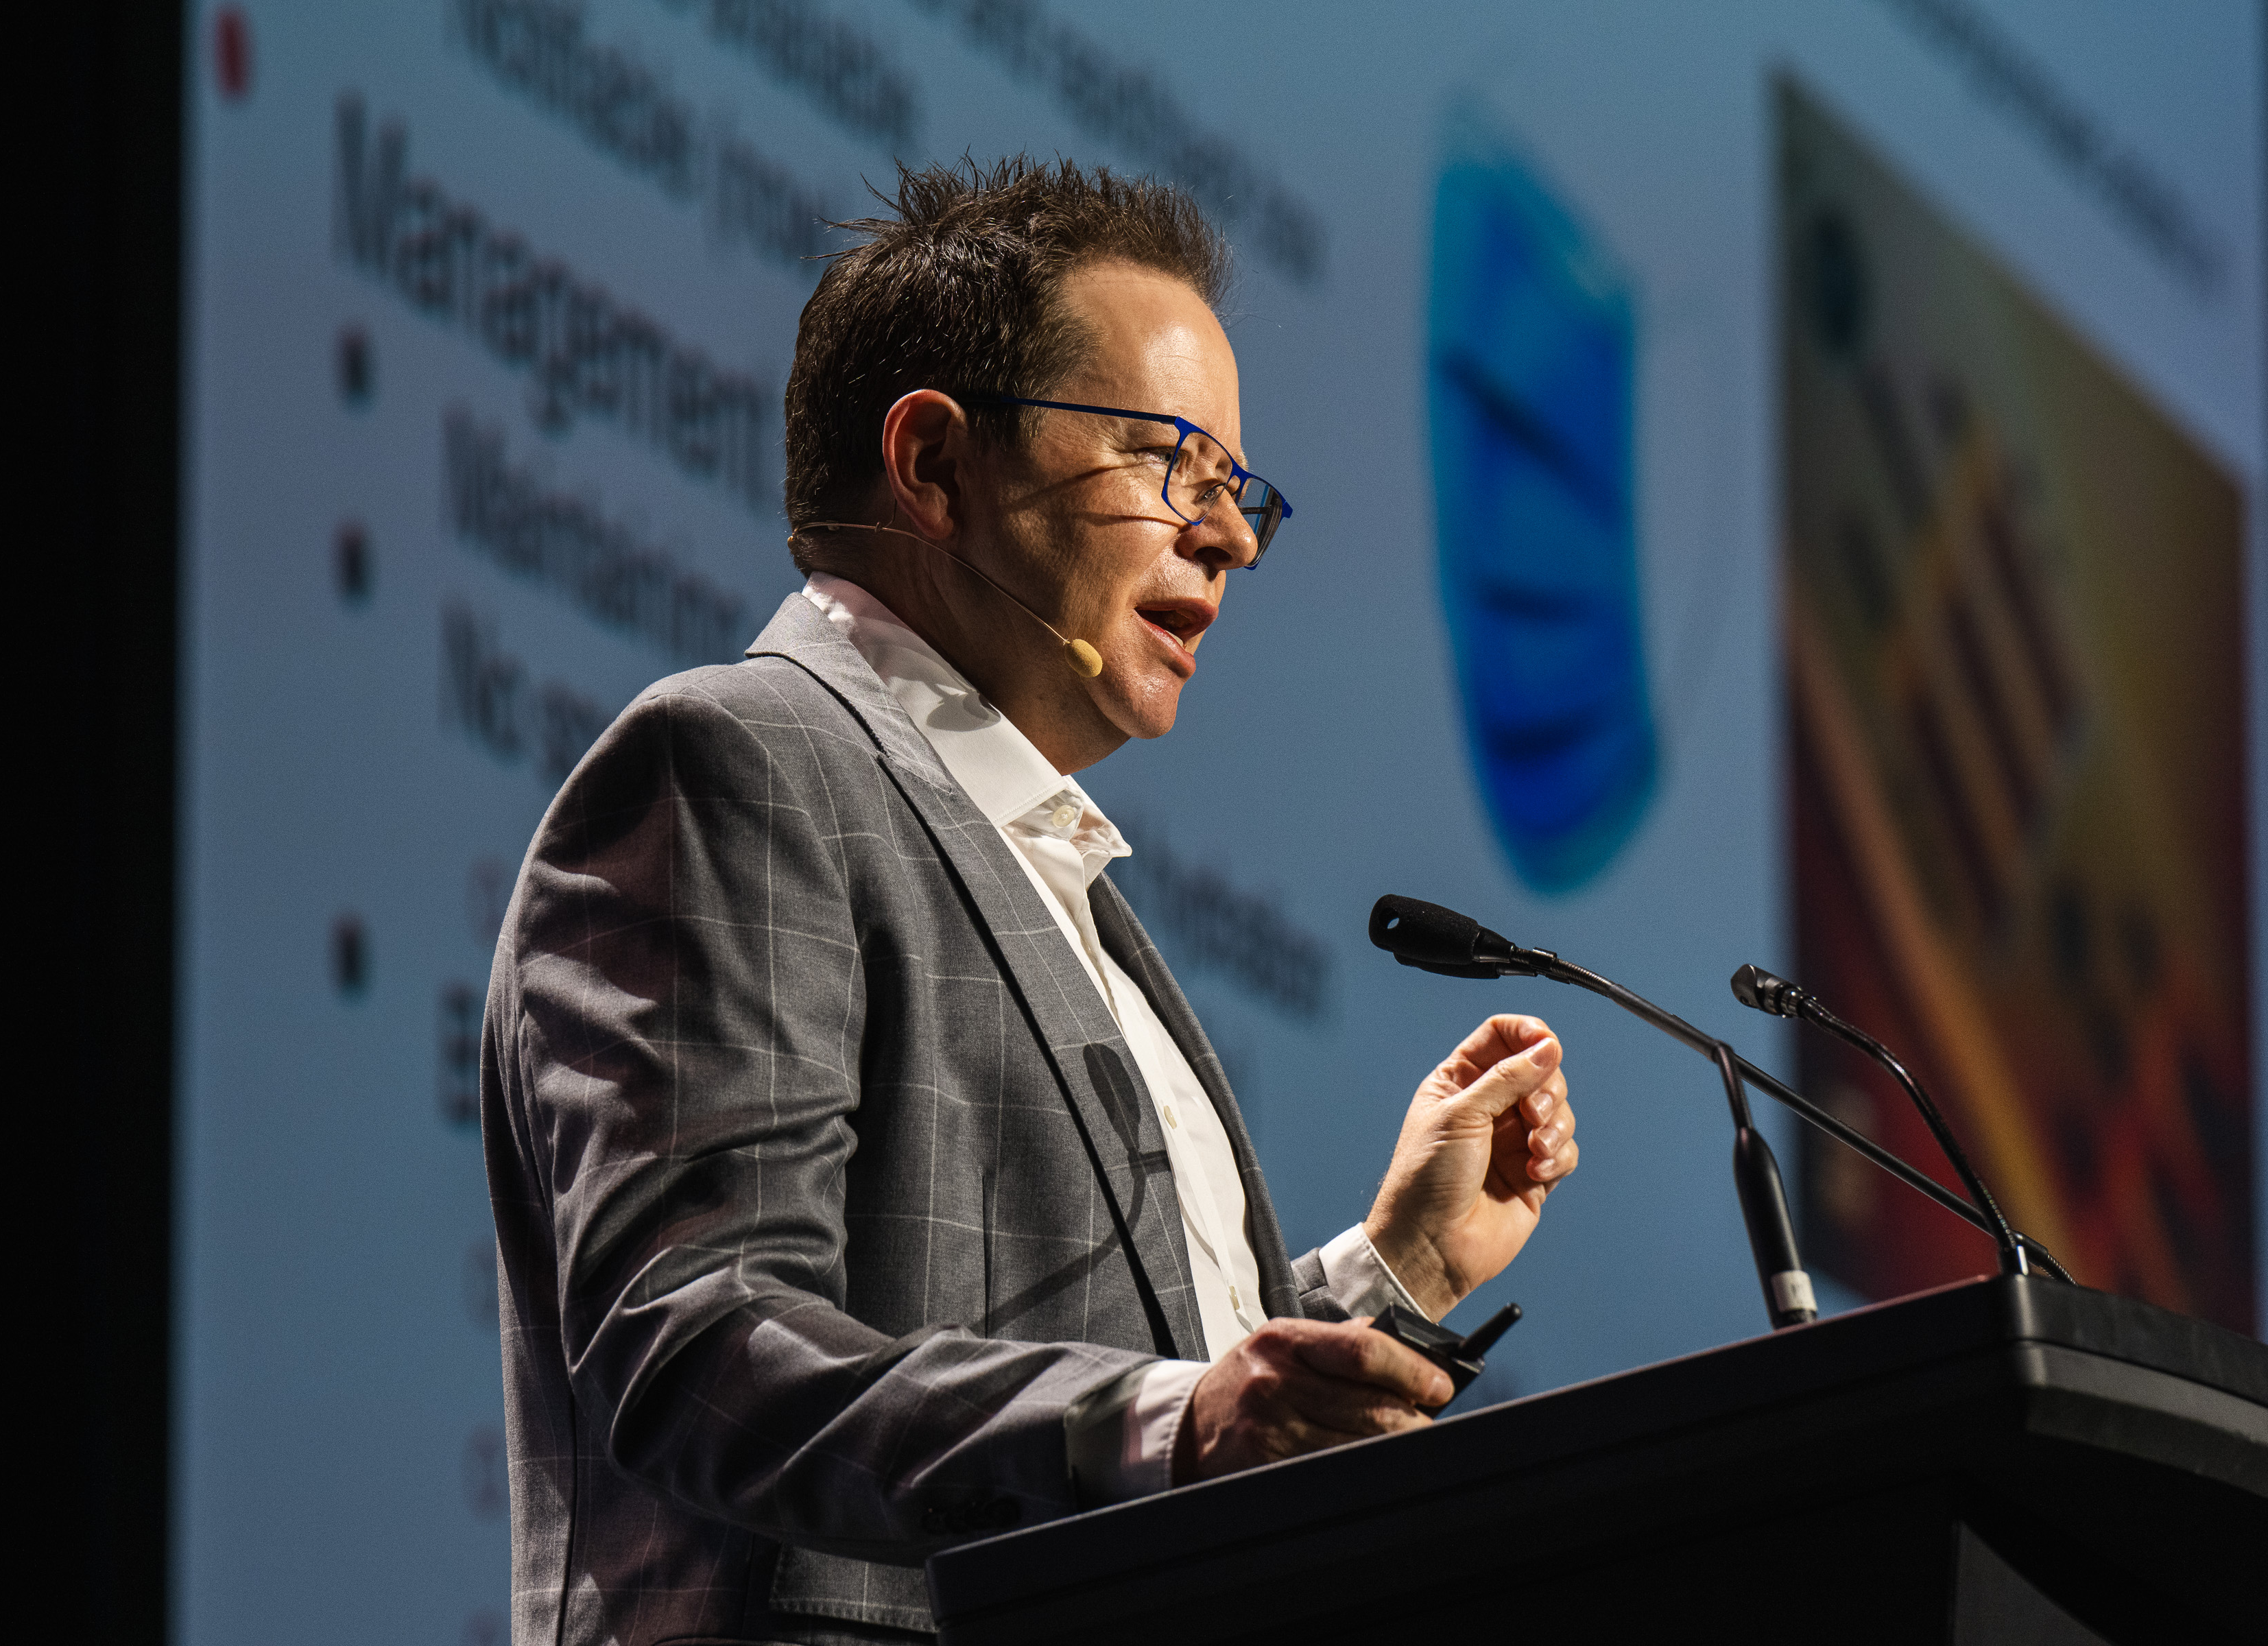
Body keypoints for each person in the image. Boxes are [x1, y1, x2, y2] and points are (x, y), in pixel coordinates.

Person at [481, 158, 1581, 1646]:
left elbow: (1159, 1390)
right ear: (936, 465)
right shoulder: (738, 761)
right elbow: (700, 1349)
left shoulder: (1056, 878)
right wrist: (1172, 1423)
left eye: (1237, 490)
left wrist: (1399, 1268)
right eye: (1171, 462)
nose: (1231, 538)